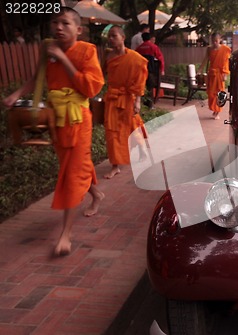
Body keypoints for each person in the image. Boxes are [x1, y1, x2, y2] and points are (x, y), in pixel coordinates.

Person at [2, 7, 105, 256]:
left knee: (71, 175)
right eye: (55, 22)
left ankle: (65, 235)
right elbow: (37, 79)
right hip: (57, 120)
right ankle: (97, 194)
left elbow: (91, 88)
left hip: (79, 120)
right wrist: (16, 94)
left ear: (78, 30)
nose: (58, 27)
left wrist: (64, 58)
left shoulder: (86, 51)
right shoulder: (47, 51)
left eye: (65, 23)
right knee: (73, 166)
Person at [103, 25, 148, 179]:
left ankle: (142, 150)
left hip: (128, 99)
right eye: (109, 36)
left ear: (123, 38)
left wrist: (138, 101)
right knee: (111, 132)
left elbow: (140, 81)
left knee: (132, 128)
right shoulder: (108, 56)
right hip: (112, 99)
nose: (110, 39)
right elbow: (104, 76)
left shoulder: (134, 58)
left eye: (114, 35)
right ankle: (115, 165)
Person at [198, 33, 231, 120]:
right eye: (213, 41)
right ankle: (215, 110)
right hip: (212, 74)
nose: (215, 43)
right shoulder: (209, 49)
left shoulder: (226, 49)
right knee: (211, 94)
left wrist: (226, 74)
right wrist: (200, 69)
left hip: (220, 74)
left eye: (216, 41)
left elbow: (227, 62)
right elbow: (205, 60)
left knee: (219, 93)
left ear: (220, 40)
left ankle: (217, 111)